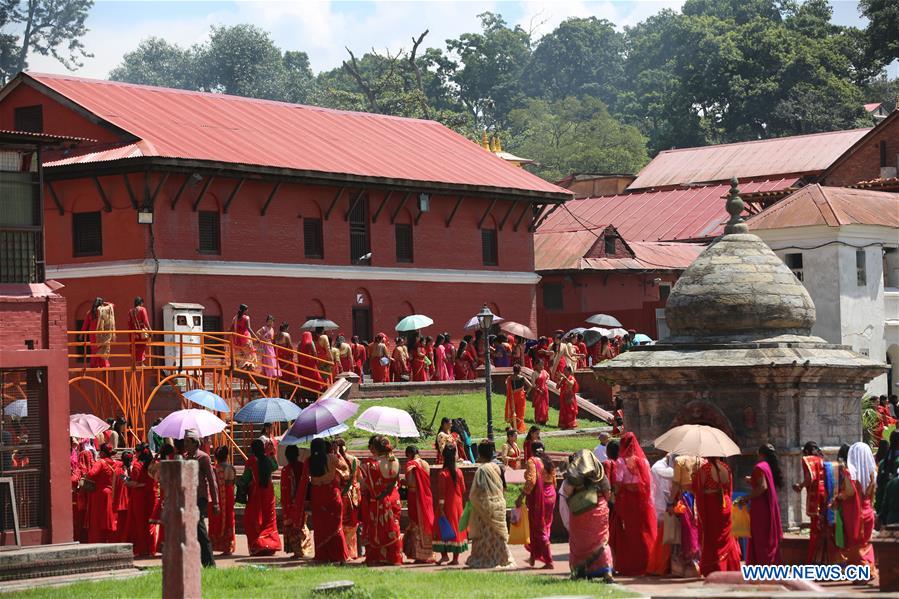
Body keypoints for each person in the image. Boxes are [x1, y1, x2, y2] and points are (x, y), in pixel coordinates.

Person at [560, 449, 613, 582]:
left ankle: (579, 572)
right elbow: (608, 494)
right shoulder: (600, 473)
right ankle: (607, 572)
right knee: (601, 541)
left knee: (579, 542)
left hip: (579, 513)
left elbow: (567, 491)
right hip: (599, 510)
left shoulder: (573, 475)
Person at [610, 432, 657, 576]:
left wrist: (613, 496)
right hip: (642, 502)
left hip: (627, 502)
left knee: (628, 533)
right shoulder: (643, 461)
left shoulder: (621, 462)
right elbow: (649, 483)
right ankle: (648, 563)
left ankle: (630, 565)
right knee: (643, 531)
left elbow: (618, 483)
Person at [467, 440, 515, 569]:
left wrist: (475, 501)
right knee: (499, 536)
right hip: (499, 504)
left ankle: (484, 558)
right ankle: (503, 558)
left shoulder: (482, 470)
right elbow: (504, 488)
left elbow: (477, 492)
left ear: (480, 454)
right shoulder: (498, 467)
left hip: (485, 507)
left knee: (484, 536)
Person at [692, 456, 742, 575]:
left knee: (712, 537)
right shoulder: (726, 468)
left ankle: (714, 567)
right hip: (725, 504)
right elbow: (729, 490)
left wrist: (695, 477)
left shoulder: (704, 470)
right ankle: (729, 566)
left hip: (712, 506)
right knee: (726, 537)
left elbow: (698, 489)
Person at [361, 435, 403, 565]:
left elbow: (365, 485)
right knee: (393, 527)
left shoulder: (371, 465)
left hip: (379, 500)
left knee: (377, 529)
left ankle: (377, 557)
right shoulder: (395, 461)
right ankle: (393, 557)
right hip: (394, 498)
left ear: (375, 448)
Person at [183, 430, 220, 566]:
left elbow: (212, 480)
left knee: (199, 528)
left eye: (187, 441)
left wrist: (215, 503)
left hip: (200, 497)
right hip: (187, 497)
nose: (185, 444)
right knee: (190, 530)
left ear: (195, 442)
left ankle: (209, 563)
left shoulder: (203, 457)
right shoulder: (185, 457)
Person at [309, 438, 349, 562]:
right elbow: (345, 467)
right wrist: (337, 453)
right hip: (332, 497)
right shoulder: (331, 458)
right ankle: (338, 555)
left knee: (320, 528)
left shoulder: (309, 461)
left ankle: (323, 556)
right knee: (335, 527)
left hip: (317, 499)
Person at [743, 444, 783, 566]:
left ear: (761, 454)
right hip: (767, 506)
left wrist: (746, 498)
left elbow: (762, 487)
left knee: (761, 539)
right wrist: (752, 480)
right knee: (766, 538)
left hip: (760, 509)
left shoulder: (760, 467)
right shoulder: (767, 467)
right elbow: (763, 482)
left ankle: (763, 567)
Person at [240, 438, 281, 557]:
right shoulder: (268, 459)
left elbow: (245, 479)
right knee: (269, 519)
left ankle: (257, 545)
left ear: (252, 449)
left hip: (255, 493)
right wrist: (271, 453)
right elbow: (275, 466)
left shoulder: (251, 461)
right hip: (268, 492)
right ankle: (269, 545)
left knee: (253, 520)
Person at [518, 441, 555, 568]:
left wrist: (521, 496)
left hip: (540, 497)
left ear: (531, 450)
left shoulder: (532, 461)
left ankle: (549, 560)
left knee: (539, 527)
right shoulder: (548, 461)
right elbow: (554, 480)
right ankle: (533, 557)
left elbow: (531, 481)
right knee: (545, 525)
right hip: (551, 494)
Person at [846, 442, 877, 582]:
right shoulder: (873, 473)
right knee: (866, 542)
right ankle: (869, 570)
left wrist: (839, 497)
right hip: (868, 510)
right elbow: (872, 494)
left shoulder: (850, 473)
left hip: (855, 512)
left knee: (855, 543)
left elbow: (849, 492)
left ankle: (860, 573)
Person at [434, 446, 468, 565]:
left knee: (441, 528)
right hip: (457, 504)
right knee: (456, 529)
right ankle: (455, 558)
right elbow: (463, 489)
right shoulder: (459, 472)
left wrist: (442, 508)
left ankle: (444, 556)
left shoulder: (443, 474)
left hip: (447, 505)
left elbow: (441, 494)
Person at [794, 441, 826, 563]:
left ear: (806, 451)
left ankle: (813, 560)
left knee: (815, 529)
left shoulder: (808, 459)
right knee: (824, 527)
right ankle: (824, 560)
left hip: (816, 497)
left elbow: (810, 478)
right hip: (826, 496)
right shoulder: (822, 459)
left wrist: (800, 486)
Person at [403, 446, 435, 563]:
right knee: (426, 521)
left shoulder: (411, 465)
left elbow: (410, 482)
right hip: (427, 496)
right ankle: (429, 553)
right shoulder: (425, 463)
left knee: (416, 523)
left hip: (414, 496)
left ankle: (419, 554)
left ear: (410, 454)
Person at [280, 444, 312, 559]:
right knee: (301, 524)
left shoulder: (286, 470)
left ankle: (298, 551)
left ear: (287, 456)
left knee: (293, 527)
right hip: (302, 501)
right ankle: (304, 548)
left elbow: (285, 490)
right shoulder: (302, 466)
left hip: (290, 504)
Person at [83, 443, 117, 543]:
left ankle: (97, 540)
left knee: (97, 519)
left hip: (99, 493)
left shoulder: (101, 462)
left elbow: (91, 474)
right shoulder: (115, 463)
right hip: (109, 492)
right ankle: (107, 539)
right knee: (107, 518)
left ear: (102, 452)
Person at [335, 438, 362, 559]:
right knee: (353, 523)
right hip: (354, 494)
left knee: (342, 523)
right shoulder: (355, 460)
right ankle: (353, 552)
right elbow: (359, 477)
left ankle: (344, 551)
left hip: (341, 494)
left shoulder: (337, 461)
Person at [208, 446, 236, 556]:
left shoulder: (215, 469)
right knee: (229, 518)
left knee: (216, 519)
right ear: (227, 456)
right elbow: (232, 482)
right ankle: (228, 547)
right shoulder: (231, 468)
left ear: (216, 457)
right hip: (228, 497)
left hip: (217, 497)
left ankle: (216, 544)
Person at [81, 297, 115, 368]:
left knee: (94, 351)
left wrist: (81, 335)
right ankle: (104, 365)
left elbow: (85, 325)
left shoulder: (90, 313)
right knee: (102, 350)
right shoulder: (103, 311)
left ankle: (94, 365)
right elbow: (112, 305)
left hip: (93, 336)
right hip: (101, 335)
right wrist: (105, 302)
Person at [504, 364, 532, 434]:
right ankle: (520, 428)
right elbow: (530, 386)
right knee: (520, 412)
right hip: (521, 396)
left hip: (512, 397)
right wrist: (526, 392)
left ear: (513, 370)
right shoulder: (522, 377)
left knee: (513, 412)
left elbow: (506, 384)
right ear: (520, 370)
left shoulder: (510, 378)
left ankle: (514, 427)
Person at [230, 304, 256, 369]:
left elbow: (231, 328)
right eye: (247, 309)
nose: (248, 310)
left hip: (237, 339)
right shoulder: (246, 318)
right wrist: (256, 337)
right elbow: (249, 328)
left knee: (240, 354)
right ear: (245, 310)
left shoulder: (235, 318)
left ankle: (241, 366)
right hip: (245, 338)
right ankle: (248, 365)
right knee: (249, 353)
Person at [128, 296, 151, 365]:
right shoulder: (142, 309)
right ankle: (141, 363)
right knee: (141, 347)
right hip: (141, 332)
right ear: (141, 303)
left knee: (135, 347)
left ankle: (134, 363)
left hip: (133, 332)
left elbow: (129, 323)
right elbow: (146, 321)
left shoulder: (130, 311)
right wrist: (150, 330)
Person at [274, 322, 298, 388]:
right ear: (286, 328)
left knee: (280, 369)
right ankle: (292, 385)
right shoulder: (286, 335)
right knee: (290, 367)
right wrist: (292, 355)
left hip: (278, 355)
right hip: (285, 355)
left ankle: (282, 382)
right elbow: (290, 346)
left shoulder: (275, 335)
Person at [557, 365, 579, 430]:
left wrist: (565, 378)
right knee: (564, 411)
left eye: (565, 371)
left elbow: (571, 384)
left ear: (569, 372)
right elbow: (557, 387)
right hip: (563, 398)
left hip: (569, 398)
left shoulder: (571, 378)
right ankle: (564, 425)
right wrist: (559, 380)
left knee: (570, 410)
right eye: (564, 371)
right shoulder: (563, 379)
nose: (564, 372)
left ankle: (571, 425)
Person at [530, 359, 550, 426]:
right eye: (540, 364)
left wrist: (546, 382)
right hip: (538, 392)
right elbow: (533, 383)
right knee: (539, 406)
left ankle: (544, 420)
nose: (542, 366)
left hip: (545, 391)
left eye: (542, 364)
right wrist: (538, 390)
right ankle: (538, 420)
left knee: (545, 406)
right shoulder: (534, 373)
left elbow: (548, 376)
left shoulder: (544, 371)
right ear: (536, 365)